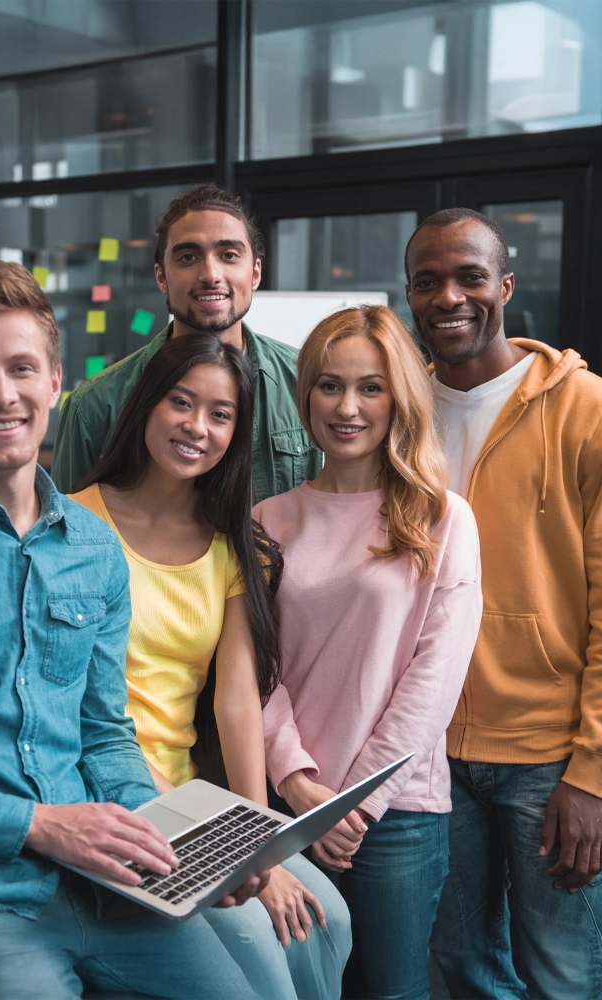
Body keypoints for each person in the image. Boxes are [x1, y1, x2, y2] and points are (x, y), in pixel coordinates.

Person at [0, 260, 280, 1000]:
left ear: (55, 380)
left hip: (99, 882)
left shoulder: (93, 549)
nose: (3, 394)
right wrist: (34, 825)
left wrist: (170, 843)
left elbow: (103, 733)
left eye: (21, 368)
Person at [69, 333, 352, 1000]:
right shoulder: (75, 525)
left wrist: (258, 845)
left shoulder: (230, 547)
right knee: (266, 958)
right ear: (146, 406)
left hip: (194, 801)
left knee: (330, 920)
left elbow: (235, 704)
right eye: (181, 403)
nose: (198, 427)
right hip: (113, 802)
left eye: (220, 414)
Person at [253, 305, 483, 1000]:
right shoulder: (268, 519)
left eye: (369, 387)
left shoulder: (442, 518)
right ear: (306, 395)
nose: (346, 406)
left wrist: (353, 808)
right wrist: (297, 783)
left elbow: (432, 682)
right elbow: (252, 673)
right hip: (286, 807)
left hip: (396, 818)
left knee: (390, 991)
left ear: (399, 400)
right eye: (328, 385)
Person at [405, 207, 602, 999]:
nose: (448, 296)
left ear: (506, 286)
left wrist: (592, 770)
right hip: (428, 752)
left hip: (548, 755)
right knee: (459, 969)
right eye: (427, 281)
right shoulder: (398, 412)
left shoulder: (584, 410)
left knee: (562, 975)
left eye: (469, 276)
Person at [51, 184, 321, 501]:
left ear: (255, 274)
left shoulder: (307, 380)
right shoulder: (95, 406)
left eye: (229, 255)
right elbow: (65, 538)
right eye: (188, 257)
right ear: (161, 277)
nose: (210, 274)